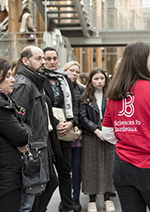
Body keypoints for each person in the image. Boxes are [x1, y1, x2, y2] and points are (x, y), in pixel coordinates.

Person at [102, 42, 150, 212]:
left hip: (122, 167)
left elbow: (107, 134)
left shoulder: (115, 90)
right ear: (140, 62)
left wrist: (130, 136)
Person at [11, 46, 52, 212]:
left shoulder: (34, 81)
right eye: (39, 58)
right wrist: (24, 144)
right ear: (25, 61)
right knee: (27, 203)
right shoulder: (23, 85)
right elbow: (17, 120)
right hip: (31, 149)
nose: (43, 62)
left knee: (37, 195)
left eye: (43, 58)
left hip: (38, 146)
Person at [43, 47, 79, 212]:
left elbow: (75, 103)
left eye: (54, 58)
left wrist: (71, 122)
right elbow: (40, 107)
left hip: (65, 131)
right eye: (48, 58)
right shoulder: (39, 79)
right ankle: (39, 207)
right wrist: (55, 123)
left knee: (65, 172)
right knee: (48, 176)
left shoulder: (65, 79)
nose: (51, 62)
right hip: (48, 133)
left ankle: (67, 206)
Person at [80, 68, 116, 212]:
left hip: (109, 133)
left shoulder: (112, 95)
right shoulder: (85, 96)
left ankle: (108, 199)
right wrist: (96, 130)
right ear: (90, 80)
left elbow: (116, 113)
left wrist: (109, 131)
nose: (99, 81)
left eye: (102, 78)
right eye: (96, 78)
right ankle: (92, 200)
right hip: (91, 134)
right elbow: (82, 117)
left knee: (109, 164)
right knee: (91, 166)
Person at [0, 58, 29, 212]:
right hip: (5, 175)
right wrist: (25, 133)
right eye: (8, 76)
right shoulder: (0, 106)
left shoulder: (4, 101)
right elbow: (22, 135)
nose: (13, 79)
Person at [63, 61, 84, 212]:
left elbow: (84, 112)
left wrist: (80, 130)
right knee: (65, 169)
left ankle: (75, 198)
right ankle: (66, 200)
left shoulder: (82, 90)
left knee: (76, 168)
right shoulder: (59, 87)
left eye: (77, 71)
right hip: (63, 134)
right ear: (65, 71)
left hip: (78, 135)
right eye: (72, 70)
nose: (74, 74)